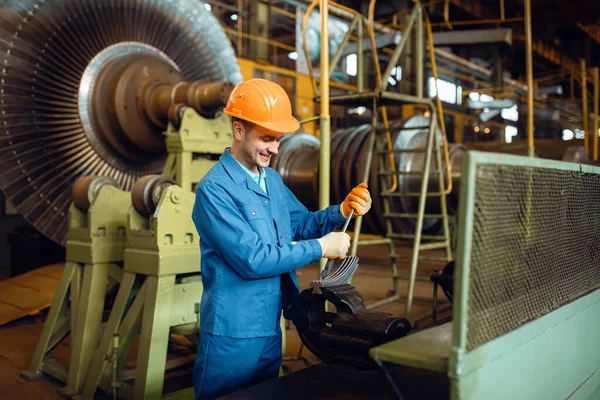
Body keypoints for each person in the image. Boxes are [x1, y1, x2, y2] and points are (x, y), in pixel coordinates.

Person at [191, 78, 372, 400]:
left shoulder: (270, 179)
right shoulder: (214, 190)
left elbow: (301, 224)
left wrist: (340, 210)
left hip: (271, 322)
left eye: (278, 140)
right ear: (238, 130)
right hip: (233, 330)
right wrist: (322, 247)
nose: (274, 149)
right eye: (267, 139)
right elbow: (253, 260)